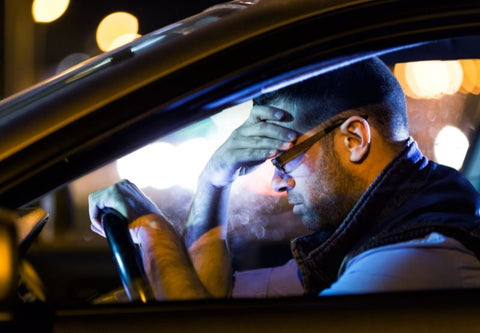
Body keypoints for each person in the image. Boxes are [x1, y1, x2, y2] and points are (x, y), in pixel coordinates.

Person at [89, 57, 480, 300]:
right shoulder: (370, 230)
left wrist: (153, 228)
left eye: (285, 158)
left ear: (354, 139)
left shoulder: (412, 260)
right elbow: (213, 298)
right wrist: (213, 179)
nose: (277, 184)